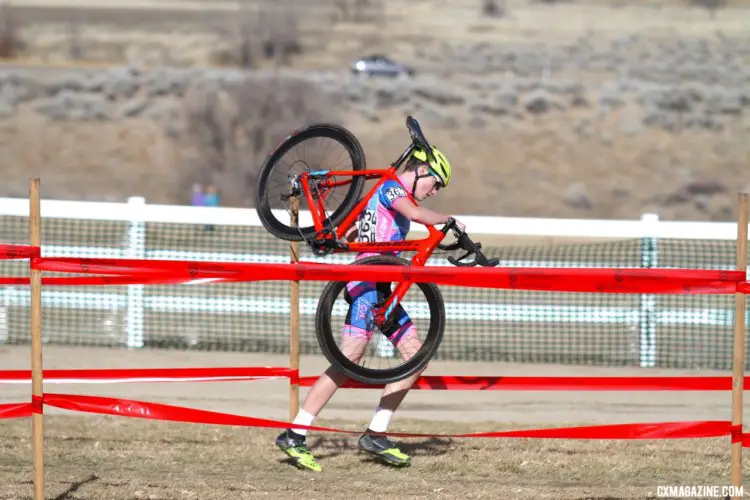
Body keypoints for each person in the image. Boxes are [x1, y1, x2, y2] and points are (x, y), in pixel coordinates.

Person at [275, 145, 464, 472]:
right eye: (435, 184)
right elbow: (418, 216)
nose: (434, 192)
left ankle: (376, 432)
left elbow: (359, 231)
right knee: (347, 363)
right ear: (421, 170)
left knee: (417, 355)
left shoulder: (388, 193)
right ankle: (295, 433)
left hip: (382, 288)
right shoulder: (392, 188)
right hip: (366, 285)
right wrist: (450, 220)